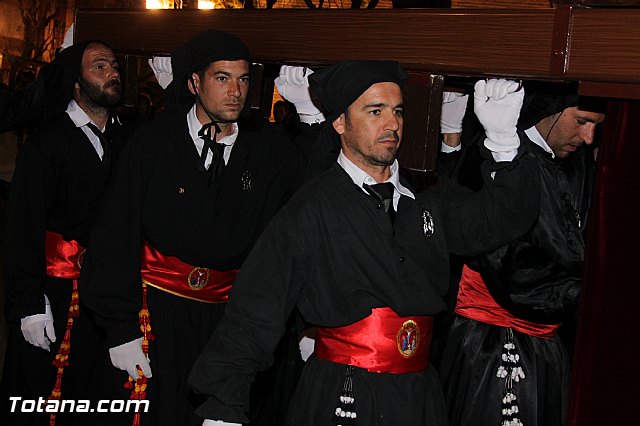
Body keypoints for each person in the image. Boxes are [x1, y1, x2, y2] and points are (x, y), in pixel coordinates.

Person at [187, 61, 541, 426]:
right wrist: (224, 407)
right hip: (343, 392)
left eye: (398, 111)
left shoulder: (430, 195)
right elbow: (257, 306)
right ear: (340, 122)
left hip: (419, 395)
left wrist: (503, 143)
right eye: (375, 111)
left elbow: (497, 222)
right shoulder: (312, 207)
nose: (392, 124)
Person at [79, 30, 298, 426]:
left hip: (228, 324)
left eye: (244, 79)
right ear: (194, 82)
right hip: (155, 314)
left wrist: (315, 121)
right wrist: (120, 328)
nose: (236, 91)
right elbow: (115, 233)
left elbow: (307, 210)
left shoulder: (269, 150)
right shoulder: (154, 143)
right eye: (222, 78)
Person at [436, 84, 606, 426]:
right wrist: (584, 295)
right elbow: (507, 264)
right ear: (549, 110)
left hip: (549, 343)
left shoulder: (579, 162)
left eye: (596, 127)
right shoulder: (493, 154)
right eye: (583, 122)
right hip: (490, 341)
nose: (589, 137)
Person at [1, 40, 125, 425]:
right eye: (99, 66)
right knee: (42, 395)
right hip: (53, 293)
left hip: (106, 293)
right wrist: (28, 305)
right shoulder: (48, 141)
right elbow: (22, 226)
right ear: (76, 82)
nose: (113, 73)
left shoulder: (129, 138)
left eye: (114, 65)